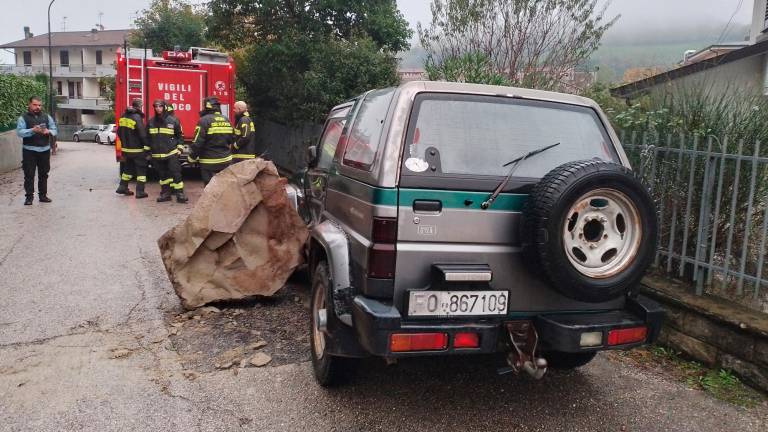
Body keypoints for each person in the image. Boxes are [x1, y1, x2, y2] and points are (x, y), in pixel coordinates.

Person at [16, 96, 57, 205]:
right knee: (29, 174)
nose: (37, 107)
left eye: (39, 105)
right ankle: (29, 198)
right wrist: (32, 130)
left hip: (44, 150)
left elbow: (54, 130)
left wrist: (48, 131)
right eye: (35, 105)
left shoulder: (47, 117)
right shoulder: (23, 118)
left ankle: (43, 196)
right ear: (29, 104)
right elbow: (20, 132)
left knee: (44, 174)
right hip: (29, 151)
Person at [147, 100, 187, 203]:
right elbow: (147, 138)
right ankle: (165, 194)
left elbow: (180, 136)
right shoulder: (151, 122)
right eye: (156, 106)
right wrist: (147, 152)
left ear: (164, 107)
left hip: (171, 153)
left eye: (160, 106)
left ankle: (180, 194)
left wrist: (179, 149)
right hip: (157, 155)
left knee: (176, 174)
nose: (158, 108)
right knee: (163, 176)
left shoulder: (173, 120)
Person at [189, 96, 233, 185]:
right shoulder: (226, 119)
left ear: (207, 107)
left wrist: (191, 158)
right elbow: (231, 139)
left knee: (210, 189)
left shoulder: (203, 121)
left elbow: (198, 143)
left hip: (208, 162)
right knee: (224, 187)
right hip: (225, 160)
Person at [115, 99, 149, 198]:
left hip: (126, 150)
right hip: (137, 150)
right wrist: (147, 147)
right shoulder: (137, 117)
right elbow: (142, 134)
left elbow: (118, 132)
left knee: (127, 169)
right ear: (140, 106)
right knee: (141, 171)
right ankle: (140, 192)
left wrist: (125, 144)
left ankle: (122, 187)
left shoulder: (123, 116)